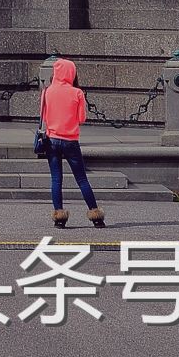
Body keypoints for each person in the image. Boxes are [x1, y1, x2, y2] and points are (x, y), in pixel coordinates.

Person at [38, 59, 105, 231]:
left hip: (52, 140)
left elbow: (44, 117)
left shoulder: (47, 92)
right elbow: (81, 119)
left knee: (56, 179)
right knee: (82, 179)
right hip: (71, 141)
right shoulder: (77, 93)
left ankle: (59, 217)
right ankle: (95, 215)